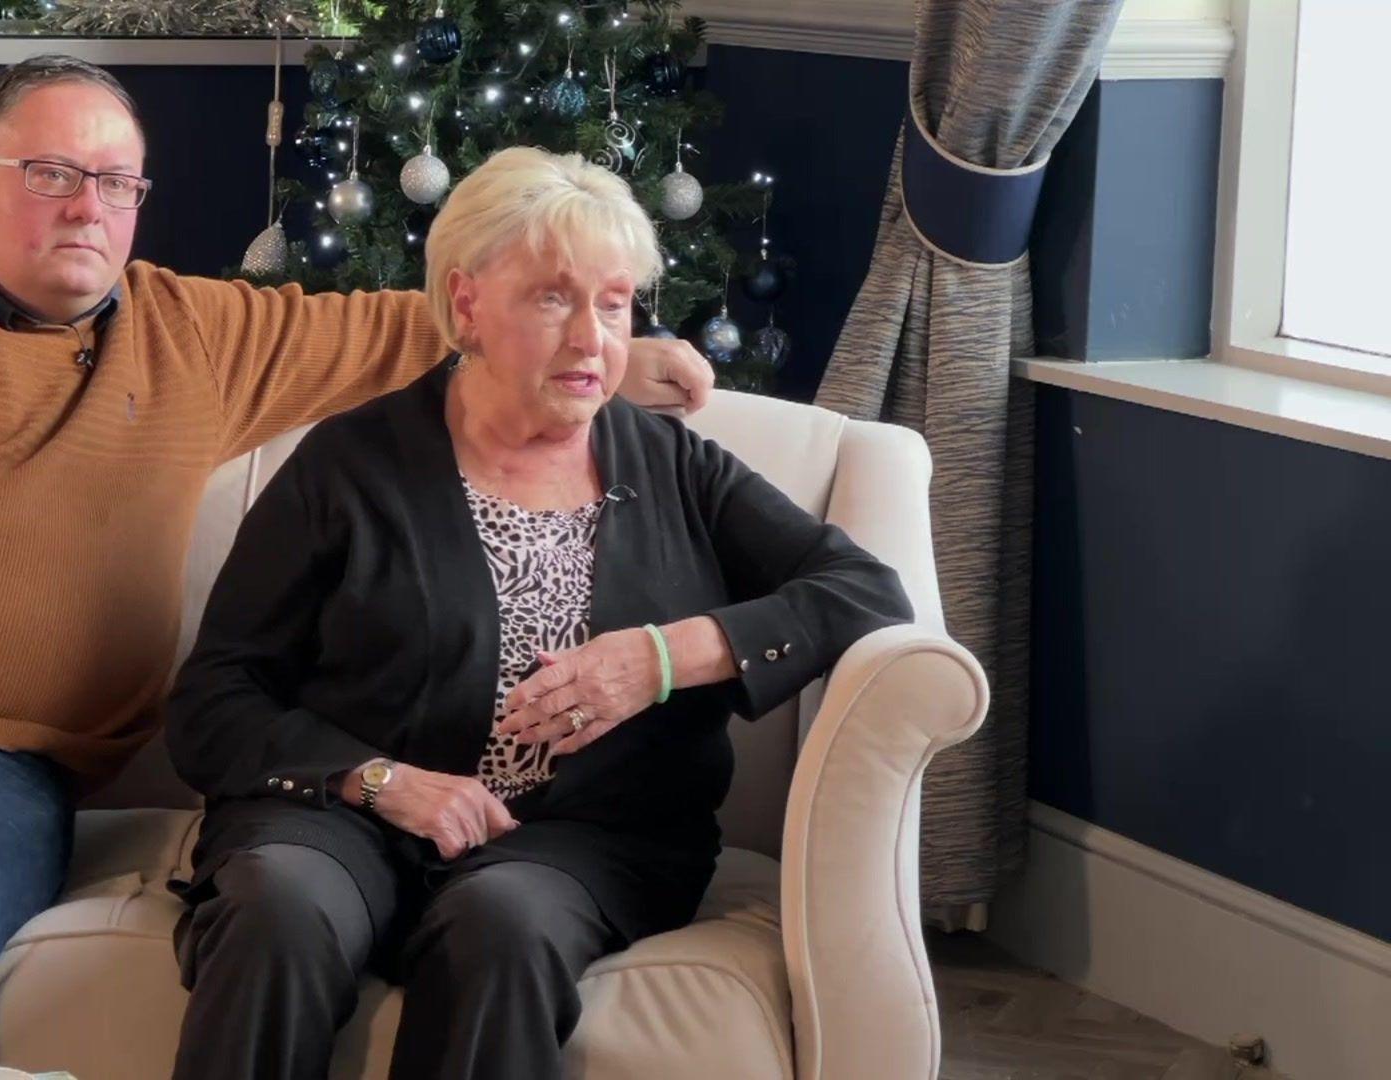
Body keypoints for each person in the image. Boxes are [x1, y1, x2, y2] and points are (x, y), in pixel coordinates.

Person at [0, 57, 714, 1080]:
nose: (89, 205)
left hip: (1, 769)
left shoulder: (195, 334)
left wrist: (605, 355)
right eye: (51, 173)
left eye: (118, 183)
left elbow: (406, 327)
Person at [164, 146, 914, 1080]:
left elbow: (866, 593)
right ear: (467, 303)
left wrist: (667, 656)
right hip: (340, 819)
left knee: (501, 926)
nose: (594, 339)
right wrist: (380, 781)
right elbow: (216, 698)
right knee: (278, 906)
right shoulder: (349, 466)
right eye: (554, 298)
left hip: (585, 839)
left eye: (614, 302)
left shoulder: (678, 467)